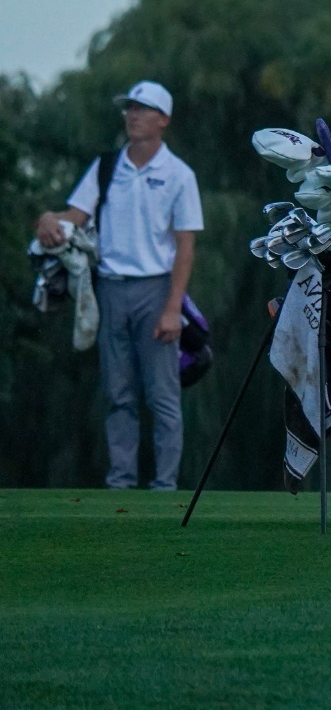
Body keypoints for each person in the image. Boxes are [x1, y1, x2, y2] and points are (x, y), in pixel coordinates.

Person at [34, 81, 204, 490]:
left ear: (163, 119)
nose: (133, 115)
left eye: (143, 109)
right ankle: (120, 482)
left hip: (157, 289)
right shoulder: (108, 166)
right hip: (109, 289)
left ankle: (164, 486)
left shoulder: (179, 175)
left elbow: (185, 247)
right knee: (118, 394)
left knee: (162, 397)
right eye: (129, 108)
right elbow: (76, 213)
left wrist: (171, 308)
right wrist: (47, 219)